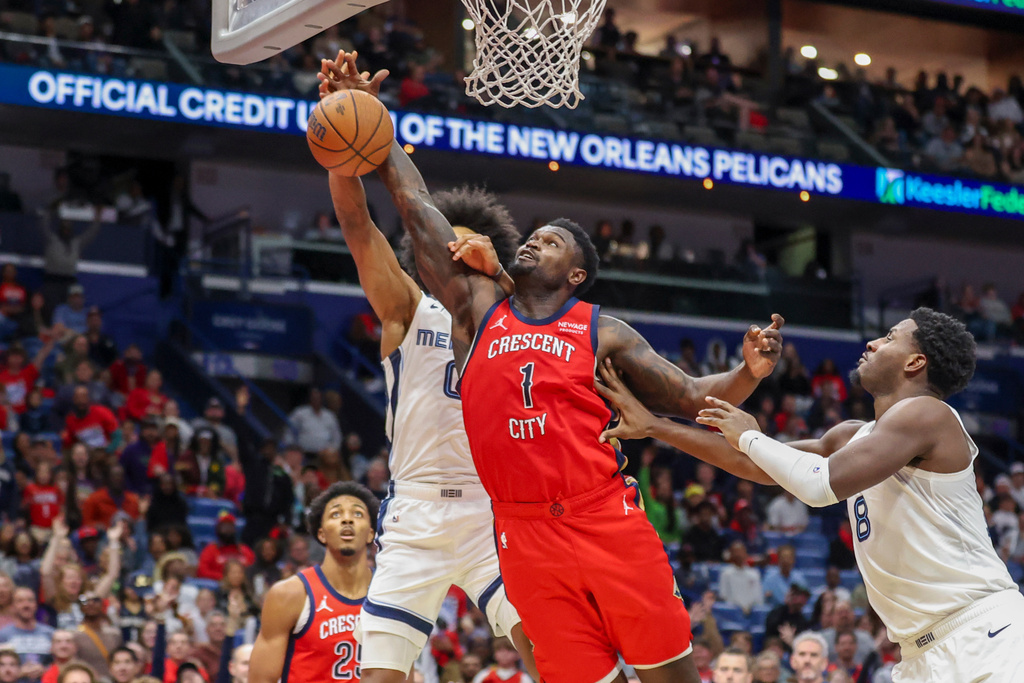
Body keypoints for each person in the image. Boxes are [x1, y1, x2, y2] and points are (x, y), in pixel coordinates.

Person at [319, 51, 782, 683]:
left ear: (577, 275)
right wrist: (375, 126)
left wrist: (750, 372)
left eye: (554, 240)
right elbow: (412, 202)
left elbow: (691, 393)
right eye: (535, 234)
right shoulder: (473, 313)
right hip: (510, 525)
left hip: (594, 516)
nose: (539, 238)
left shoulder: (600, 330)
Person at [599, 307, 1024, 680]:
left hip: (982, 633)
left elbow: (818, 485)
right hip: (918, 653)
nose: (873, 343)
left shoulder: (929, 415)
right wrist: (655, 425)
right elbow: (756, 465)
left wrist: (750, 436)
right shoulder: (851, 436)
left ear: (915, 361)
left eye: (890, 337)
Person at [321, 57, 534, 682]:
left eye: (463, 245)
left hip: (492, 512)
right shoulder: (409, 309)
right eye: (440, 243)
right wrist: (347, 131)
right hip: (413, 514)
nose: (450, 252)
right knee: (380, 674)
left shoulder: (519, 321)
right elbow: (358, 227)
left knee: (549, 648)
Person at [249, 482, 377, 683]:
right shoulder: (290, 594)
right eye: (336, 514)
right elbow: (260, 679)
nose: (347, 520)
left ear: (371, 533)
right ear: (321, 534)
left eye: (358, 514)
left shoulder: (391, 596)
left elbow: (403, 676)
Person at [0, 587, 55, 676]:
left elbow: (60, 663)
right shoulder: (3, 635)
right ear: (12, 606)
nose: (26, 605)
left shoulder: (50, 633)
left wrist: (45, 670)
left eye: (30, 600)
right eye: (20, 601)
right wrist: (18, 673)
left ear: (36, 605)